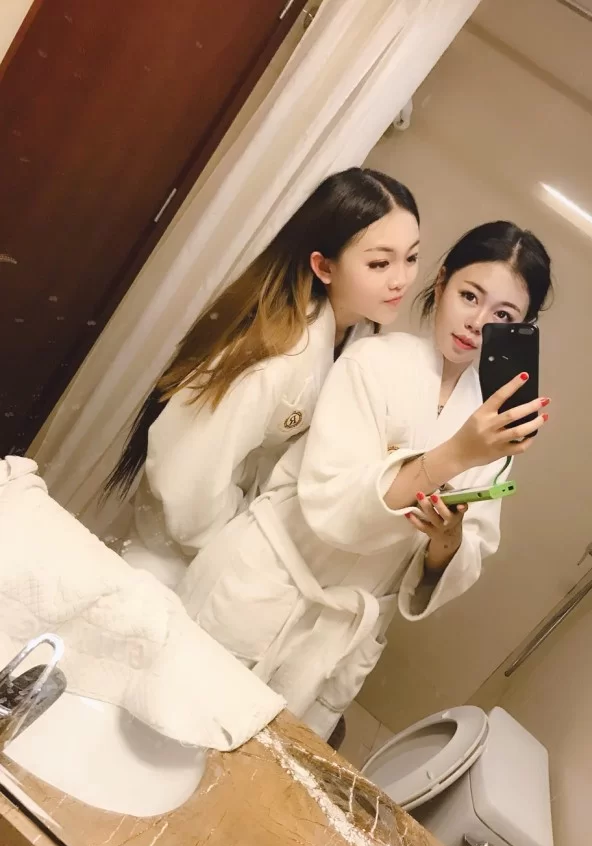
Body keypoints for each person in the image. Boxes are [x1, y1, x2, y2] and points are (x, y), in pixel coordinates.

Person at [178, 220, 553, 742]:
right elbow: (335, 507)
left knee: (249, 772)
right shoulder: (371, 362)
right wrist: (455, 455)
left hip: (337, 638)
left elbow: (468, 552)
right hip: (263, 585)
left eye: (503, 316)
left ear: (520, 328)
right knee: (170, 723)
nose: (477, 323)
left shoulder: (495, 427)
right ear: (441, 281)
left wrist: (446, 541)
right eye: (470, 296)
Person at [104, 168, 420, 588]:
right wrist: (241, 548)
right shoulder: (275, 359)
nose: (401, 279)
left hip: (232, 556)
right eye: (380, 263)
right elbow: (188, 481)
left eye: (411, 257)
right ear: (324, 267)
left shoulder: (358, 339)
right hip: (171, 560)